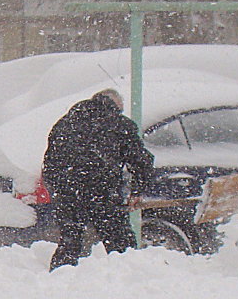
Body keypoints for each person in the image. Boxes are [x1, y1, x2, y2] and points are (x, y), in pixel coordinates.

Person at [42, 89, 154, 271]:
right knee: (121, 244)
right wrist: (138, 190)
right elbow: (142, 162)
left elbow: (50, 162)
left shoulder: (65, 123)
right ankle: (129, 277)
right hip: (103, 192)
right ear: (116, 105)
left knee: (70, 242)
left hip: (69, 192)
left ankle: (59, 277)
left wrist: (59, 189)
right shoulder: (120, 124)